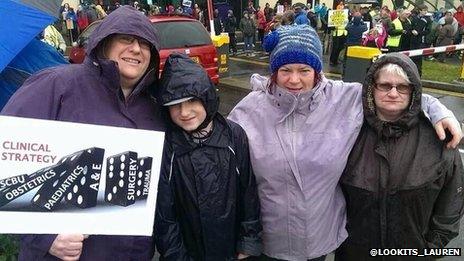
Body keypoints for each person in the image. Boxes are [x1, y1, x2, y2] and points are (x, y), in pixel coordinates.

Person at [228, 24, 462, 260]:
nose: (294, 80)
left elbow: (393, 94)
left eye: (304, 70)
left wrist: (438, 110)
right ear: (274, 71)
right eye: (285, 70)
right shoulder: (248, 111)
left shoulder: (343, 99)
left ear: (317, 71)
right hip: (266, 243)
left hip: (317, 244)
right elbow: (227, 175)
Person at [1, 6, 164, 260]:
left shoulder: (154, 108)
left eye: (145, 44)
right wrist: (44, 237)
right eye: (126, 39)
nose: (136, 49)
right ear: (105, 43)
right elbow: (6, 164)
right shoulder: (56, 85)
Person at [337, 53, 464, 260]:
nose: (393, 93)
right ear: (372, 87)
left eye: (402, 87)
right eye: (385, 85)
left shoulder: (439, 136)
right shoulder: (347, 131)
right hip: (354, 253)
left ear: (413, 91)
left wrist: (431, 249)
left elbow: (451, 203)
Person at [154, 53, 262, 260]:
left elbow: (248, 193)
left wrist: (248, 243)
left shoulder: (233, 135)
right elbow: (164, 213)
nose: (184, 112)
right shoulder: (168, 144)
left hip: (230, 250)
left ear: (206, 97)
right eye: (175, 104)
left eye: (192, 100)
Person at [410, 4, 431, 76]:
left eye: (426, 10)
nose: (425, 12)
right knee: (412, 56)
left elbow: (428, 31)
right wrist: (412, 30)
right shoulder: (415, 18)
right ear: (420, 11)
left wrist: (419, 33)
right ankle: (411, 72)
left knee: (418, 58)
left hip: (421, 41)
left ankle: (418, 74)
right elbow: (411, 26)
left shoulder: (428, 19)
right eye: (424, 10)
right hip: (413, 40)